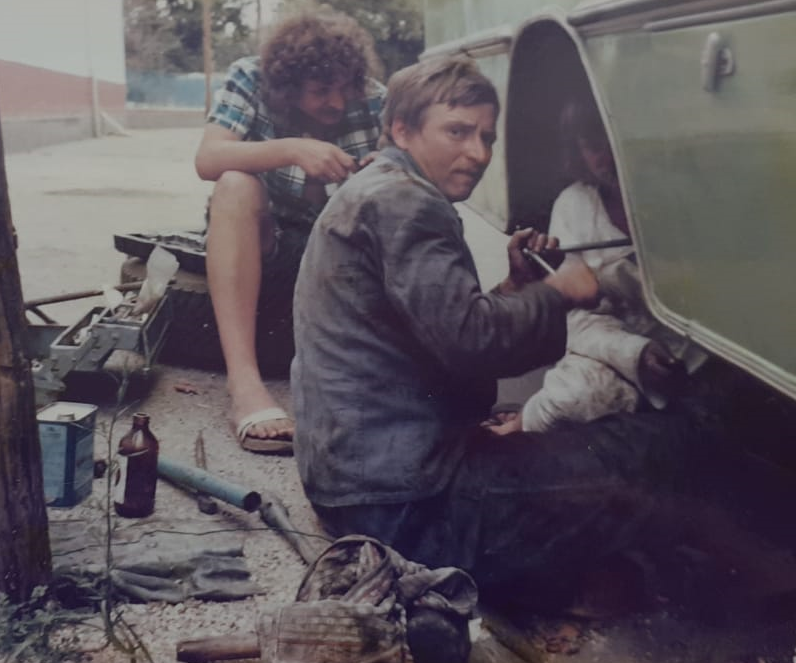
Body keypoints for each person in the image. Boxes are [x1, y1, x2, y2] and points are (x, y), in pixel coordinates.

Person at [291, 56, 725, 621]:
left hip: (355, 485)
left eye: (487, 137)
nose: (478, 153)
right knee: (656, 448)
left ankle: (568, 569)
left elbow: (437, 331)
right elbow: (472, 343)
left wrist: (518, 286)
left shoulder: (380, 188)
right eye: (457, 132)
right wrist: (561, 291)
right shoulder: (407, 202)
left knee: (590, 458)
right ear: (401, 128)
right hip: (405, 507)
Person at [194, 5, 385, 452]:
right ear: (287, 86)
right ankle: (244, 387)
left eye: (345, 88)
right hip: (267, 244)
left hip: (341, 258)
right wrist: (293, 150)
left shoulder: (376, 99)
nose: (337, 102)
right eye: (321, 91)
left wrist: (387, 169)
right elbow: (208, 159)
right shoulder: (250, 77)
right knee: (234, 186)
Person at [489, 99, 708, 435]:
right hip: (611, 353)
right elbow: (577, 321)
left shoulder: (683, 199)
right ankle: (515, 427)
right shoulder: (574, 206)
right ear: (578, 151)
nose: (609, 156)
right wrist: (635, 354)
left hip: (695, 355)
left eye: (617, 140)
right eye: (593, 146)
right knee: (571, 399)